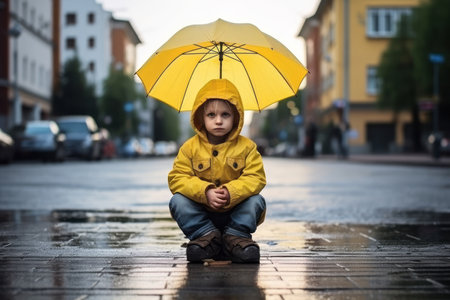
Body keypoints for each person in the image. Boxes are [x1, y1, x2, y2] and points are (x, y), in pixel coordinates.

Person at [168, 79, 266, 263]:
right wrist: (205, 192)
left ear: (236, 117)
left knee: (257, 201)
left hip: (236, 213)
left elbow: (256, 177)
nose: (218, 120)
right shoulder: (189, 148)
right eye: (211, 115)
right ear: (201, 117)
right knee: (178, 201)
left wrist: (231, 192)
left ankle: (236, 238)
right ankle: (205, 238)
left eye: (225, 114)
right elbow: (177, 178)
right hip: (203, 213)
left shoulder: (247, 147)